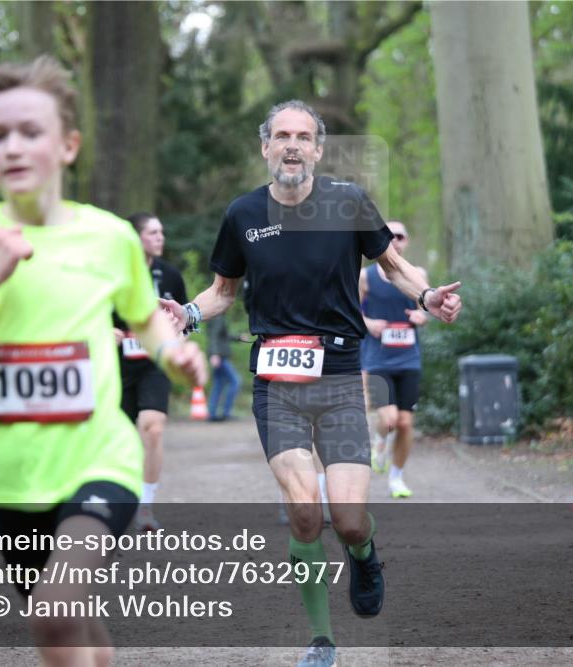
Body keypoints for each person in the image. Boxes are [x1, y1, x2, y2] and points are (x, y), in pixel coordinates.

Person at [0, 57, 205, 667]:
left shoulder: (109, 237)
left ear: (67, 145)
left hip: (100, 460)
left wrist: (175, 355)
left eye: (31, 131)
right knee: (70, 624)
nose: (14, 146)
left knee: (56, 610)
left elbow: (142, 314)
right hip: (6, 482)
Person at [161, 100, 461, 667]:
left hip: (343, 378)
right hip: (278, 386)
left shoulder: (346, 201)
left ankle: (364, 553)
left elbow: (392, 266)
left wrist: (426, 296)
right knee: (304, 512)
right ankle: (321, 639)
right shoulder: (243, 214)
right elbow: (223, 291)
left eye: (303, 136)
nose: (293, 144)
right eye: (282, 136)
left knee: (347, 521)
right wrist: (189, 315)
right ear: (266, 147)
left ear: (318, 149)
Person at [113, 212, 188, 531]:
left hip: (154, 363)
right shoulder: (111, 274)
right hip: (115, 365)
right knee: (121, 437)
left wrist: (177, 341)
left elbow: (186, 321)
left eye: (162, 232)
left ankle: (145, 506)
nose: (161, 238)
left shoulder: (169, 276)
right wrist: (106, 332)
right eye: (153, 233)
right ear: (135, 237)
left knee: (153, 427)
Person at [360, 221, 427, 498]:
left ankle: (397, 478)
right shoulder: (366, 277)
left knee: (405, 423)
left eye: (399, 236)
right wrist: (368, 323)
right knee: (388, 419)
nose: (394, 241)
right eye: (388, 236)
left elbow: (426, 304)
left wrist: (423, 316)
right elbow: (351, 311)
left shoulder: (417, 273)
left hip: (409, 358)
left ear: (406, 241)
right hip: (377, 359)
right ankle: (379, 440)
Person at [205, 316, 241, 421]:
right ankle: (225, 412)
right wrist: (215, 353)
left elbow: (223, 336)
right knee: (236, 381)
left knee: (218, 384)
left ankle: (212, 413)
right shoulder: (217, 316)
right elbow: (213, 336)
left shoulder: (216, 315)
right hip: (219, 356)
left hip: (219, 355)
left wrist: (238, 338)